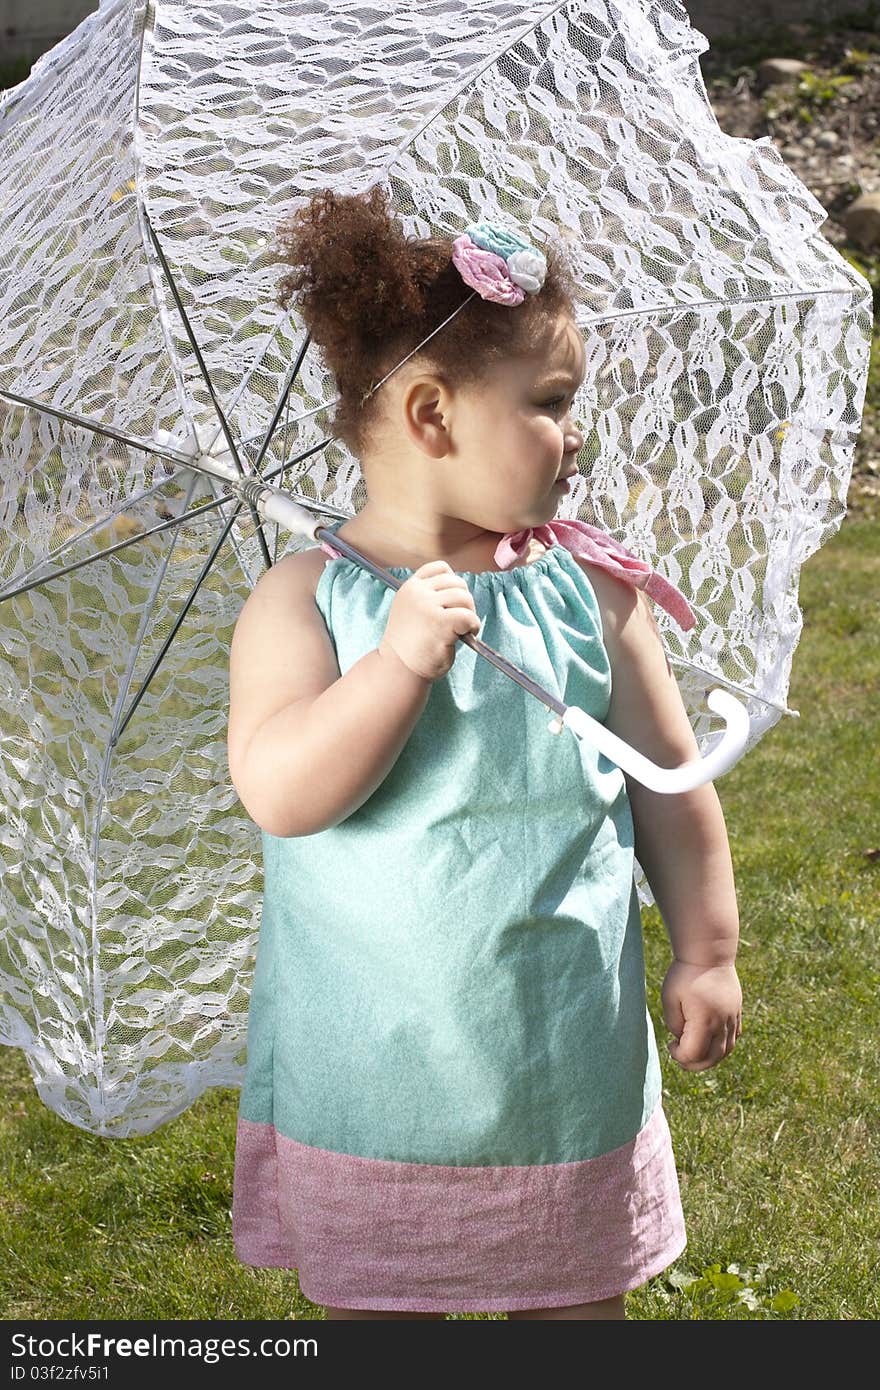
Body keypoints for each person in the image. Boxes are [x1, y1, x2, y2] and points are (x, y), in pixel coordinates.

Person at [226, 185, 742, 1320]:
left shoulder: (591, 593)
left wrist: (706, 947)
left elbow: (670, 785)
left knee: (575, 1308)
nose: (576, 434)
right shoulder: (304, 600)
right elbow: (281, 791)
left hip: (558, 1054)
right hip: (374, 1065)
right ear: (430, 415)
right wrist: (396, 665)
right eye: (551, 402)